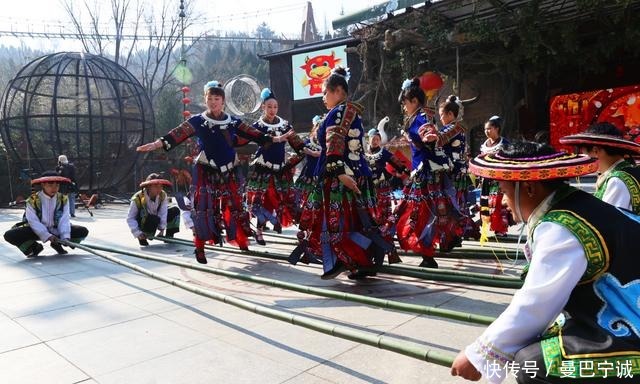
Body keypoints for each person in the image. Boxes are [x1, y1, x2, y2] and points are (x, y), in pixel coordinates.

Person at [451, 141, 640, 384]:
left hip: (632, 328)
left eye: (506, 192)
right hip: (621, 312)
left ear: (529, 188)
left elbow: (536, 302)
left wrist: (479, 354)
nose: (505, 202)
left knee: (534, 364)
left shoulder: (560, 227)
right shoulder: (576, 205)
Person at [136, 80, 293, 264]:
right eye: (209, 98)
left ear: (223, 101)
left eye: (216, 99)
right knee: (203, 207)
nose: (213, 102)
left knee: (235, 206)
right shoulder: (198, 121)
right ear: (205, 100)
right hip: (206, 170)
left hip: (230, 170)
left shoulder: (233, 121)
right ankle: (200, 248)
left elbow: (254, 134)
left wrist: (276, 139)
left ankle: (241, 241)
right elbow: (178, 133)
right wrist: (157, 144)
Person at [293, 66, 390, 280]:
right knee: (354, 220)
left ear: (337, 91)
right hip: (348, 173)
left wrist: (339, 174)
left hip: (340, 176)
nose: (323, 98)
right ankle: (358, 262)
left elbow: (334, 142)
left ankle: (351, 261)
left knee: (340, 222)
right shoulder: (344, 110)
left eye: (325, 93)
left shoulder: (340, 111)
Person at [382, 78, 460, 268]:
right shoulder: (417, 117)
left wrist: (430, 136)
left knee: (417, 212)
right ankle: (429, 253)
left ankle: (429, 253)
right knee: (421, 212)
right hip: (423, 172)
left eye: (405, 103)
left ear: (415, 101)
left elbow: (428, 131)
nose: (404, 107)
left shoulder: (421, 117)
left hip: (425, 174)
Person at [245, 87, 306, 242]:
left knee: (284, 199)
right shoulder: (257, 126)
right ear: (263, 107)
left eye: (275, 107)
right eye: (269, 106)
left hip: (280, 169)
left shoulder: (284, 125)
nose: (272, 110)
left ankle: (302, 231)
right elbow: (243, 140)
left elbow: (297, 143)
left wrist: (310, 151)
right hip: (262, 169)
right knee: (261, 200)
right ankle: (259, 230)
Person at [560, 122, 640, 213]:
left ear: (595, 151)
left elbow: (609, 220)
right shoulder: (630, 171)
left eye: (585, 152)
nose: (584, 157)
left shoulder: (617, 181)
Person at [4, 171, 88, 257]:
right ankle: (34, 247)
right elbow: (33, 221)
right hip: (35, 230)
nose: (54, 188)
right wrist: (47, 235)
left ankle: (58, 244)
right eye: (50, 185)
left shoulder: (63, 199)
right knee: (9, 235)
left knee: (82, 231)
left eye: (57, 185)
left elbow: (64, 219)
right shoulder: (32, 200)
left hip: (56, 230)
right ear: (43, 185)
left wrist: (65, 236)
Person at [365, 127, 410, 264]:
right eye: (373, 139)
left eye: (377, 139)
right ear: (369, 140)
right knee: (369, 220)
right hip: (368, 190)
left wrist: (407, 172)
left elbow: (396, 163)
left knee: (383, 219)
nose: (375, 141)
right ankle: (370, 252)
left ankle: (390, 252)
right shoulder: (363, 154)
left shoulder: (383, 153)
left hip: (382, 189)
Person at [479, 116, 513, 236]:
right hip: (487, 178)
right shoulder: (484, 145)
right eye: (485, 129)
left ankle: (500, 228)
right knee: (487, 203)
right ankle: (488, 225)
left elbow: (509, 159)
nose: (487, 131)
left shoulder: (504, 144)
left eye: (489, 128)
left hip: (499, 178)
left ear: (497, 129)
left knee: (499, 203)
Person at [126, 173, 181, 246]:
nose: (159, 189)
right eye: (156, 186)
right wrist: (137, 233)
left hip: (156, 218)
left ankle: (169, 235)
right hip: (144, 221)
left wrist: (162, 229)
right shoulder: (137, 198)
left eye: (161, 186)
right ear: (148, 186)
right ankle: (143, 236)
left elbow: (163, 212)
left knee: (175, 210)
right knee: (153, 219)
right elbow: (130, 218)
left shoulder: (162, 195)